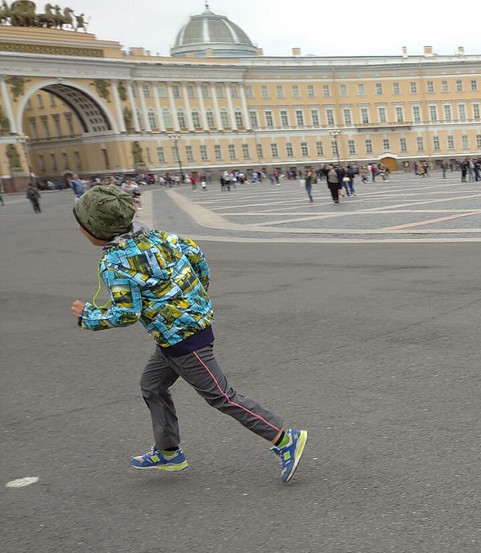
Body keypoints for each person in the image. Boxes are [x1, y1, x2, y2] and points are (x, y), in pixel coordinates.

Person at [68, 185, 307, 482]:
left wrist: (88, 316)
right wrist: (194, 299)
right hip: (176, 334)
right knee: (152, 385)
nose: (79, 229)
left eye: (80, 224)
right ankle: (168, 451)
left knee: (222, 397)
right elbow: (197, 256)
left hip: (184, 340)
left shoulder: (115, 263)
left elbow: (126, 313)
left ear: (96, 230)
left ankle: (284, 439)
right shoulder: (161, 237)